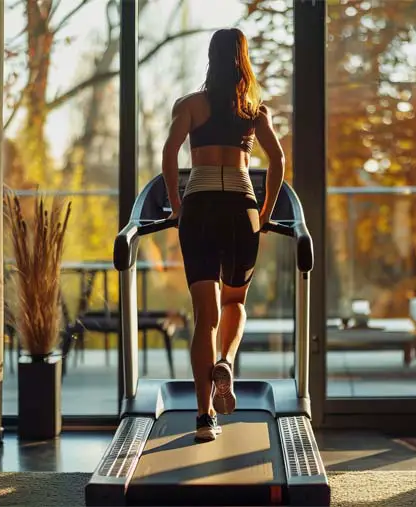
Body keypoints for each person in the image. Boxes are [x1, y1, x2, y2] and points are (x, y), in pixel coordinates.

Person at [160, 28, 285, 442]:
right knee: (234, 301)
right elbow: (278, 161)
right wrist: (264, 211)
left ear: (211, 58)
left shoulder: (191, 105)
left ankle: (203, 417)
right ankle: (226, 363)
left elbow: (169, 151)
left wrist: (177, 205)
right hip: (240, 206)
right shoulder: (255, 111)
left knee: (204, 317)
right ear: (243, 60)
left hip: (198, 206)